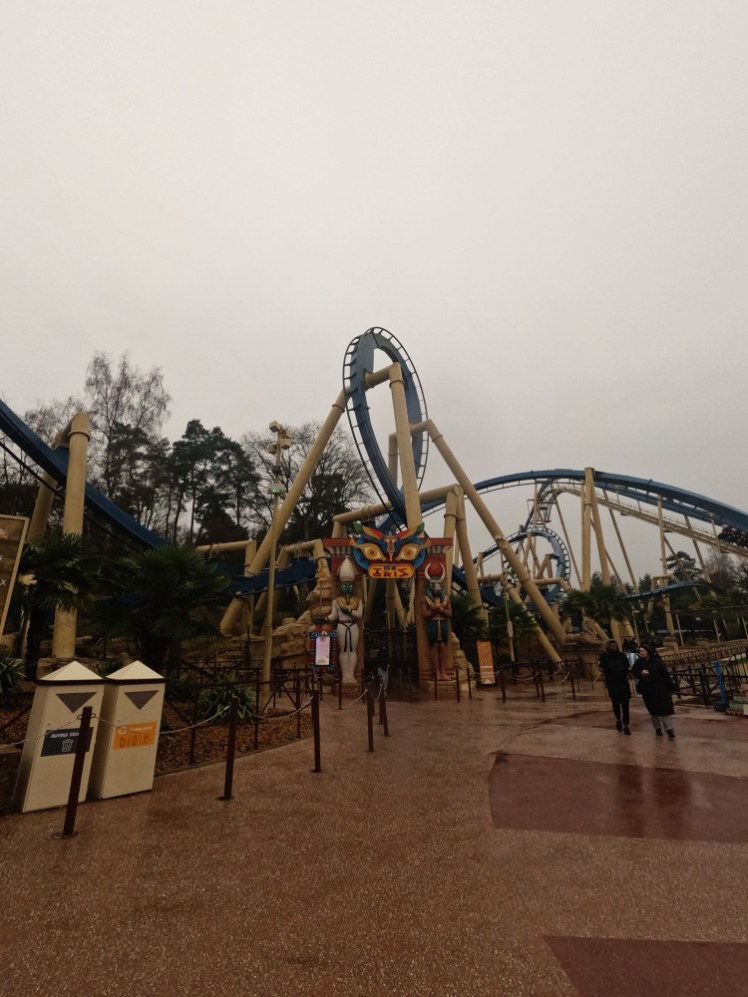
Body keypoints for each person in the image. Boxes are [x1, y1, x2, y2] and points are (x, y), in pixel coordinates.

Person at [631, 643, 677, 739]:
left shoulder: (657, 661)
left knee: (664, 710)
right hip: (648, 690)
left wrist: (671, 687)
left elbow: (665, 675)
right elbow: (634, 671)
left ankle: (669, 729)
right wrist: (641, 673)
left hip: (660, 689)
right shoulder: (639, 662)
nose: (641, 652)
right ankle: (657, 728)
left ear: (648, 651)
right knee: (653, 711)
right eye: (640, 651)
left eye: (642, 651)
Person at [422, 563, 452, 680]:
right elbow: (424, 614)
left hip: (443, 624)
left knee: (443, 646)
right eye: (434, 584)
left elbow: (450, 614)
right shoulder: (425, 599)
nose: (437, 586)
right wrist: (436, 610)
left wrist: (438, 609)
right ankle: (437, 673)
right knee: (434, 645)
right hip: (432, 624)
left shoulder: (446, 598)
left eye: (439, 583)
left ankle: (443, 672)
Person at [598, 639, 632, 734]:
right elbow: (601, 667)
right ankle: (618, 720)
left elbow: (627, 666)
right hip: (612, 683)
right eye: (612, 647)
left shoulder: (621, 655)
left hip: (623, 682)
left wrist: (624, 670)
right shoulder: (604, 656)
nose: (614, 648)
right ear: (608, 647)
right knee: (615, 704)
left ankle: (626, 724)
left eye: (616, 646)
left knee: (626, 705)